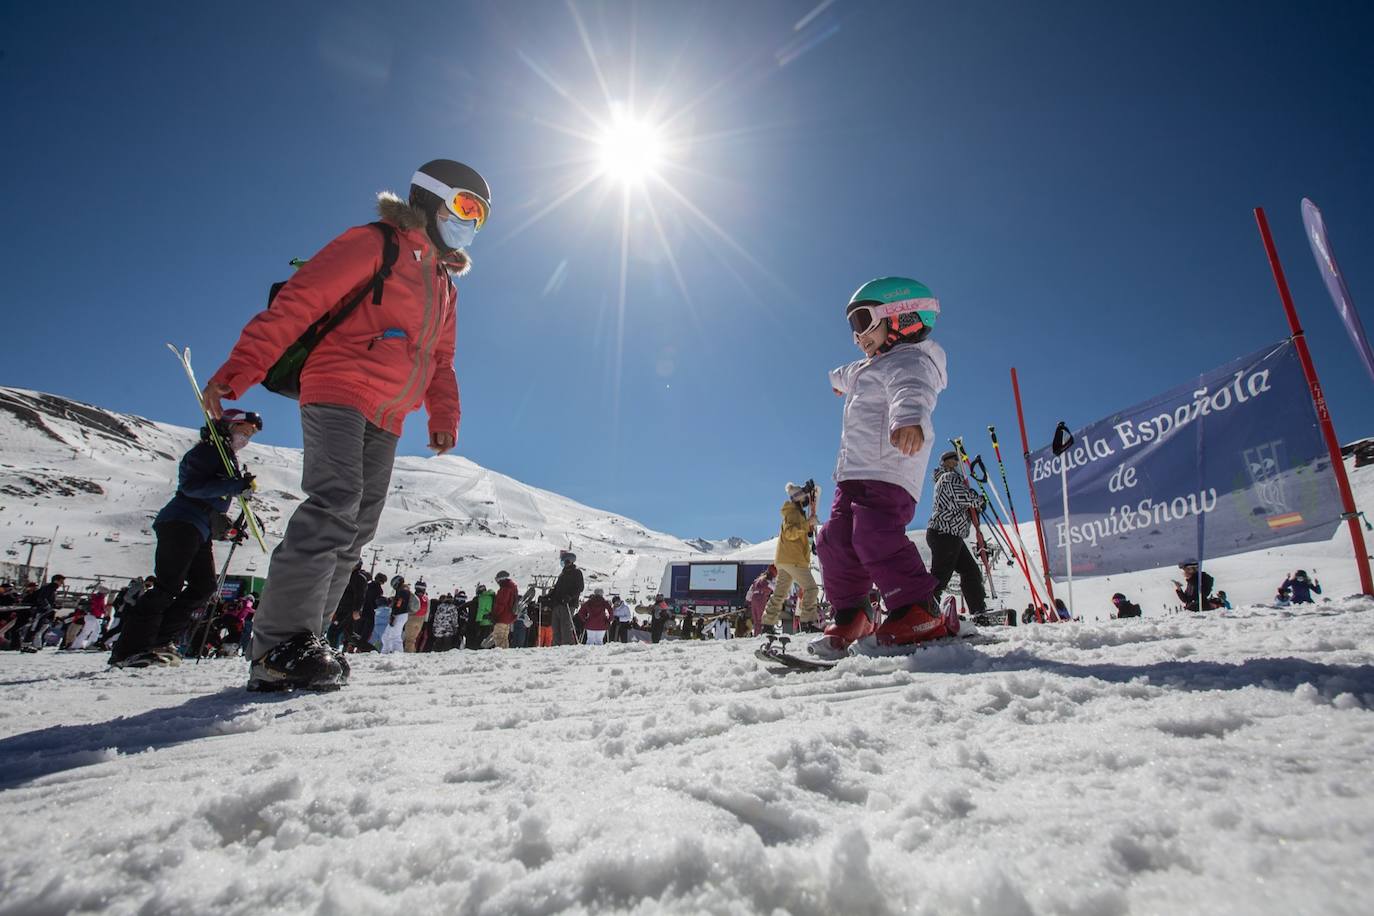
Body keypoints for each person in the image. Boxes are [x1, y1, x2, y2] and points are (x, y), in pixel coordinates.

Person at [202, 159, 489, 690]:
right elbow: (300, 301)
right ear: (430, 199)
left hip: (389, 413)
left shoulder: (445, 285)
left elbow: (441, 359)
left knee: (356, 529)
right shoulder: (375, 243)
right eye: (465, 206)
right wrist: (240, 369)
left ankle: (307, 640)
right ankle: (277, 645)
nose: (470, 222)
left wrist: (443, 414)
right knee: (334, 505)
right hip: (338, 387)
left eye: (480, 216)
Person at [813, 277, 948, 659]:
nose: (857, 336)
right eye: (852, 327)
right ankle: (853, 612)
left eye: (862, 321)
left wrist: (908, 420)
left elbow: (912, 390)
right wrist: (837, 382)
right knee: (833, 539)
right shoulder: (867, 366)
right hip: (852, 473)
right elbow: (847, 373)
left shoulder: (911, 361)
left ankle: (918, 608)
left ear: (902, 316)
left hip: (888, 470)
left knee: (874, 534)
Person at [925, 450, 989, 619]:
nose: (959, 464)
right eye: (956, 461)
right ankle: (924, 610)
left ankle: (978, 610)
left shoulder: (950, 479)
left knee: (971, 571)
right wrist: (978, 500)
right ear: (947, 462)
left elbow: (959, 503)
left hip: (951, 534)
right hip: (944, 533)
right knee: (941, 575)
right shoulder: (948, 477)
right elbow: (962, 496)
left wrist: (973, 509)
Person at [760, 483, 822, 634]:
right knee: (811, 588)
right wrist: (808, 524)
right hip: (793, 559)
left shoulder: (795, 512)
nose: (807, 499)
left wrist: (808, 528)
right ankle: (807, 622)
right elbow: (790, 533)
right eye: (805, 496)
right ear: (799, 497)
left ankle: (767, 623)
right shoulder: (793, 512)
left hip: (785, 559)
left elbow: (797, 533)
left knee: (780, 593)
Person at [328, 562, 369, 649]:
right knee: (348, 634)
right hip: (341, 609)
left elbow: (360, 595)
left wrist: (356, 610)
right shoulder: (345, 576)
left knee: (333, 632)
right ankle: (367, 649)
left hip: (348, 610)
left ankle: (332, 651)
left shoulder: (359, 578)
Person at [548, 554, 584, 646]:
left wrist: (570, 596)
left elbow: (580, 588)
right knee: (555, 626)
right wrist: (548, 596)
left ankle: (567, 645)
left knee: (565, 625)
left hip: (568, 604)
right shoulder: (562, 574)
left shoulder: (577, 573)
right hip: (557, 603)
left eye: (564, 562)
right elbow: (557, 588)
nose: (563, 564)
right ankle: (556, 645)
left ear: (569, 561)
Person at [68, 586, 108, 650]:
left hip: (90, 616)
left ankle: (78, 645)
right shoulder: (99, 598)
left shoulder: (96, 597)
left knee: (92, 630)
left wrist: (102, 611)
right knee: (91, 631)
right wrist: (103, 611)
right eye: (106, 593)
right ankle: (85, 645)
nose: (107, 594)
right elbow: (97, 607)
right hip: (92, 616)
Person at [381, 577, 413, 653]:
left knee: (395, 636)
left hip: (399, 615)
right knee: (386, 635)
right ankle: (385, 651)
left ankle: (397, 653)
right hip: (399, 614)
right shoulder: (403, 590)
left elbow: (399, 603)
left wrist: (394, 614)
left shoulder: (403, 591)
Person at [490, 571, 519, 648]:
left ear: (501, 579)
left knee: (499, 638)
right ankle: (505, 654)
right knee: (504, 639)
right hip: (508, 618)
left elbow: (500, 603)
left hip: (502, 617)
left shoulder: (505, 589)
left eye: (497, 580)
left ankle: (501, 654)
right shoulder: (512, 588)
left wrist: (494, 615)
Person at [746, 567, 775, 637]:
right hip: (761, 598)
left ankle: (756, 635)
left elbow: (750, 591)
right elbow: (776, 589)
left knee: (756, 621)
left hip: (754, 598)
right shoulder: (768, 581)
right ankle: (759, 636)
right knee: (761, 619)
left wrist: (748, 602)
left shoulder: (757, 580)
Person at [404, 580, 429, 651]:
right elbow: (427, 611)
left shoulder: (412, 597)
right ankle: (412, 651)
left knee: (409, 639)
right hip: (421, 619)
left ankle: (408, 652)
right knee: (413, 639)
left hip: (411, 618)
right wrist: (425, 622)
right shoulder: (426, 599)